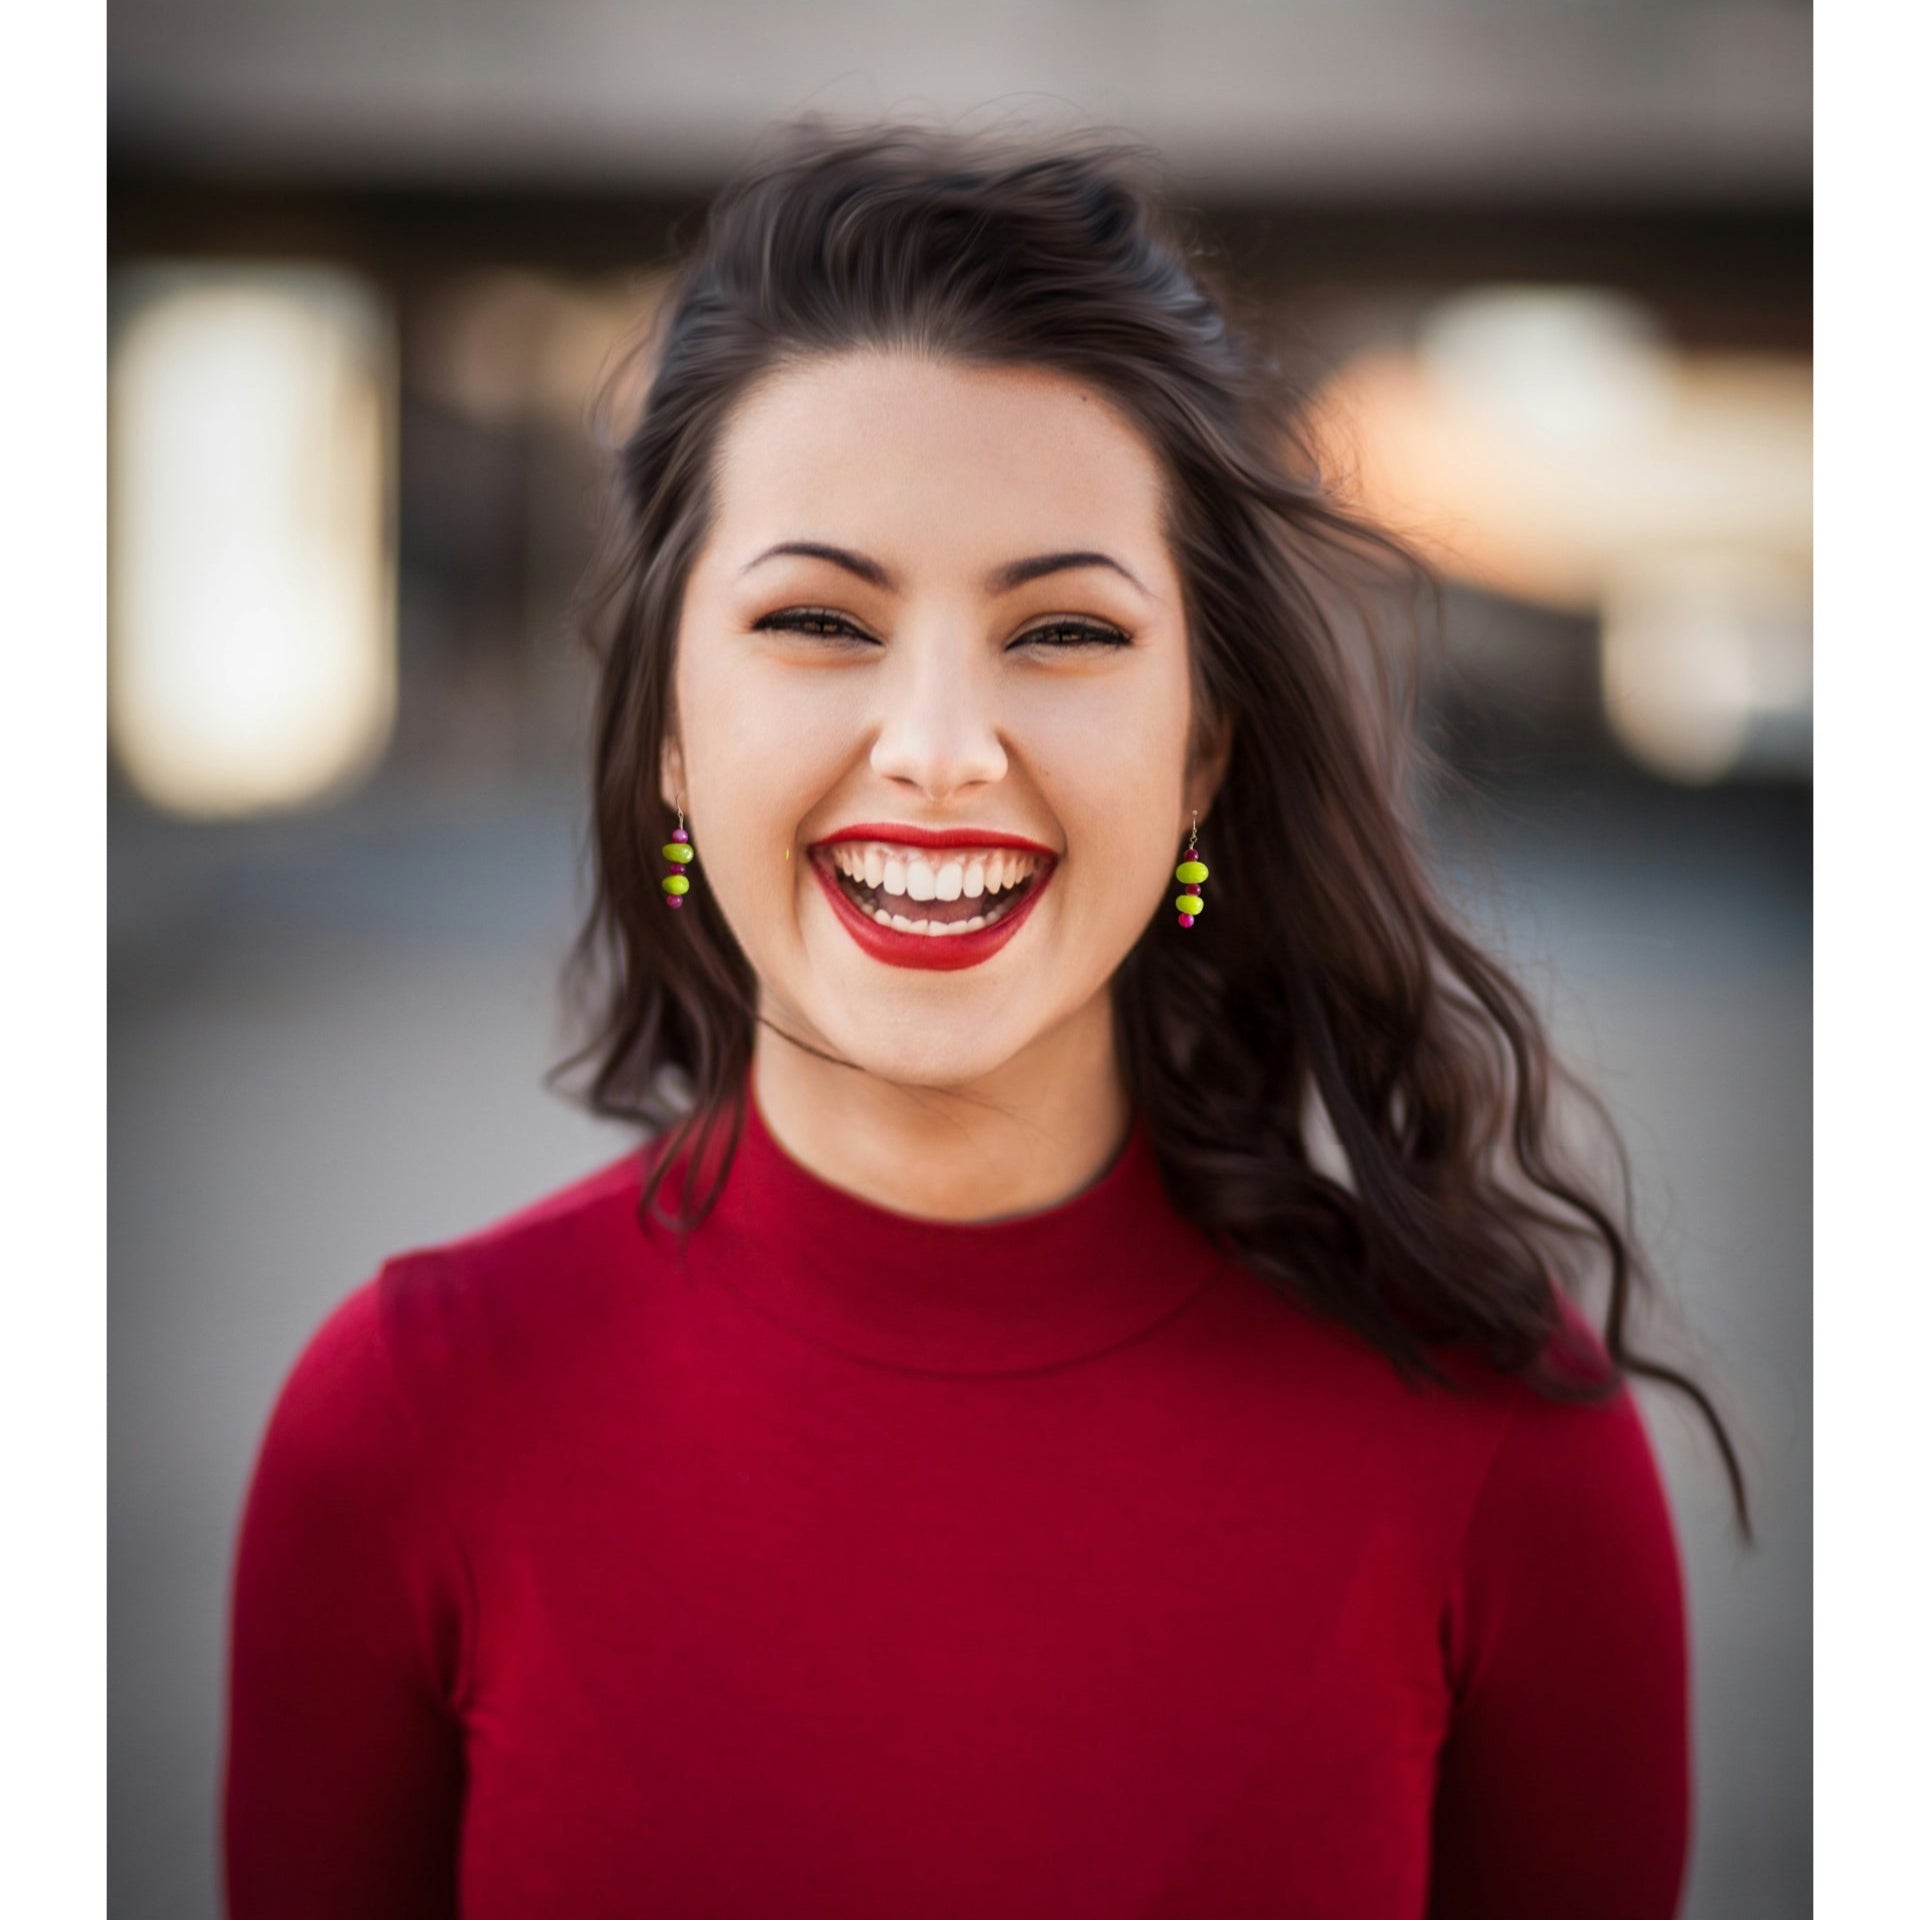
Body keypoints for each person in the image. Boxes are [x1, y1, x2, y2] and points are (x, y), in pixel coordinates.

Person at [221, 116, 1749, 1919]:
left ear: (1203, 755)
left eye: (1065, 634)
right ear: (666, 735)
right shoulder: (404, 1423)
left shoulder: (1508, 1449)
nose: (941, 750)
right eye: (817, 620)